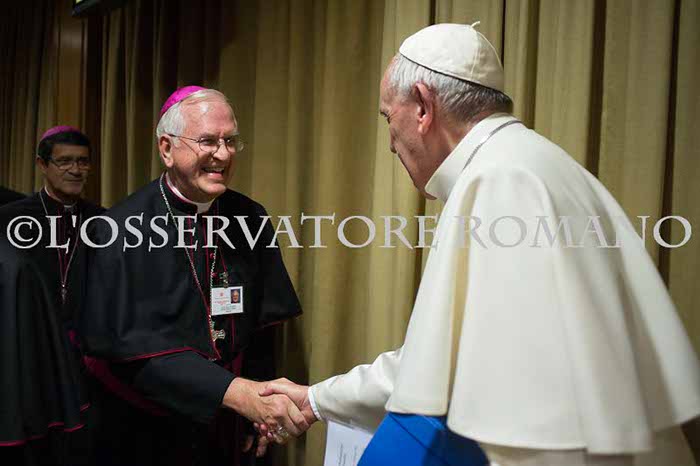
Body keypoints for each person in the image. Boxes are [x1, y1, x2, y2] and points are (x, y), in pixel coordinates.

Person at [260, 23, 700, 466]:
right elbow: (438, 362)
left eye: (388, 117)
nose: (391, 143)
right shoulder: (536, 162)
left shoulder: (497, 181)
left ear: (423, 107)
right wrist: (317, 399)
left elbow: (449, 375)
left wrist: (315, 400)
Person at [80, 86, 306, 466]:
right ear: (166, 149)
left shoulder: (250, 218)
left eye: (230, 141)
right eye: (208, 141)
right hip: (144, 430)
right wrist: (237, 393)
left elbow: (262, 330)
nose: (224, 154)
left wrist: (257, 408)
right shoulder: (118, 229)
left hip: (228, 425)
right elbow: (131, 352)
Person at [0, 126, 104, 465]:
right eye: (64, 161)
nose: (75, 170)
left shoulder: (104, 222)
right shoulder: (9, 218)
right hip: (32, 353)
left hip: (88, 359)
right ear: (42, 165)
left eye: (83, 162)